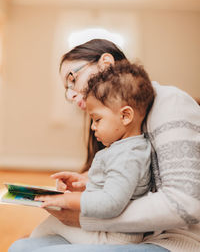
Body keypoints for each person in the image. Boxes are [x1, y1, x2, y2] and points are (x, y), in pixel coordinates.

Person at [9, 39, 200, 252]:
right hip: (130, 233)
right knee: (19, 247)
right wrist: (89, 181)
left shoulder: (170, 103)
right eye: (66, 90)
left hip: (171, 240)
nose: (70, 95)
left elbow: (185, 205)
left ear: (106, 63)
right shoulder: (116, 125)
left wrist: (86, 216)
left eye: (72, 79)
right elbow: (131, 180)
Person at [29, 60, 154, 245]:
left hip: (113, 238)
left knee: (51, 225)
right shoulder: (125, 149)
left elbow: (111, 202)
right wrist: (85, 183)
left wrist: (70, 200)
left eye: (97, 119)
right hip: (107, 230)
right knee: (49, 227)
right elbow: (116, 186)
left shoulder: (128, 156)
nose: (93, 127)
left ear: (126, 116)